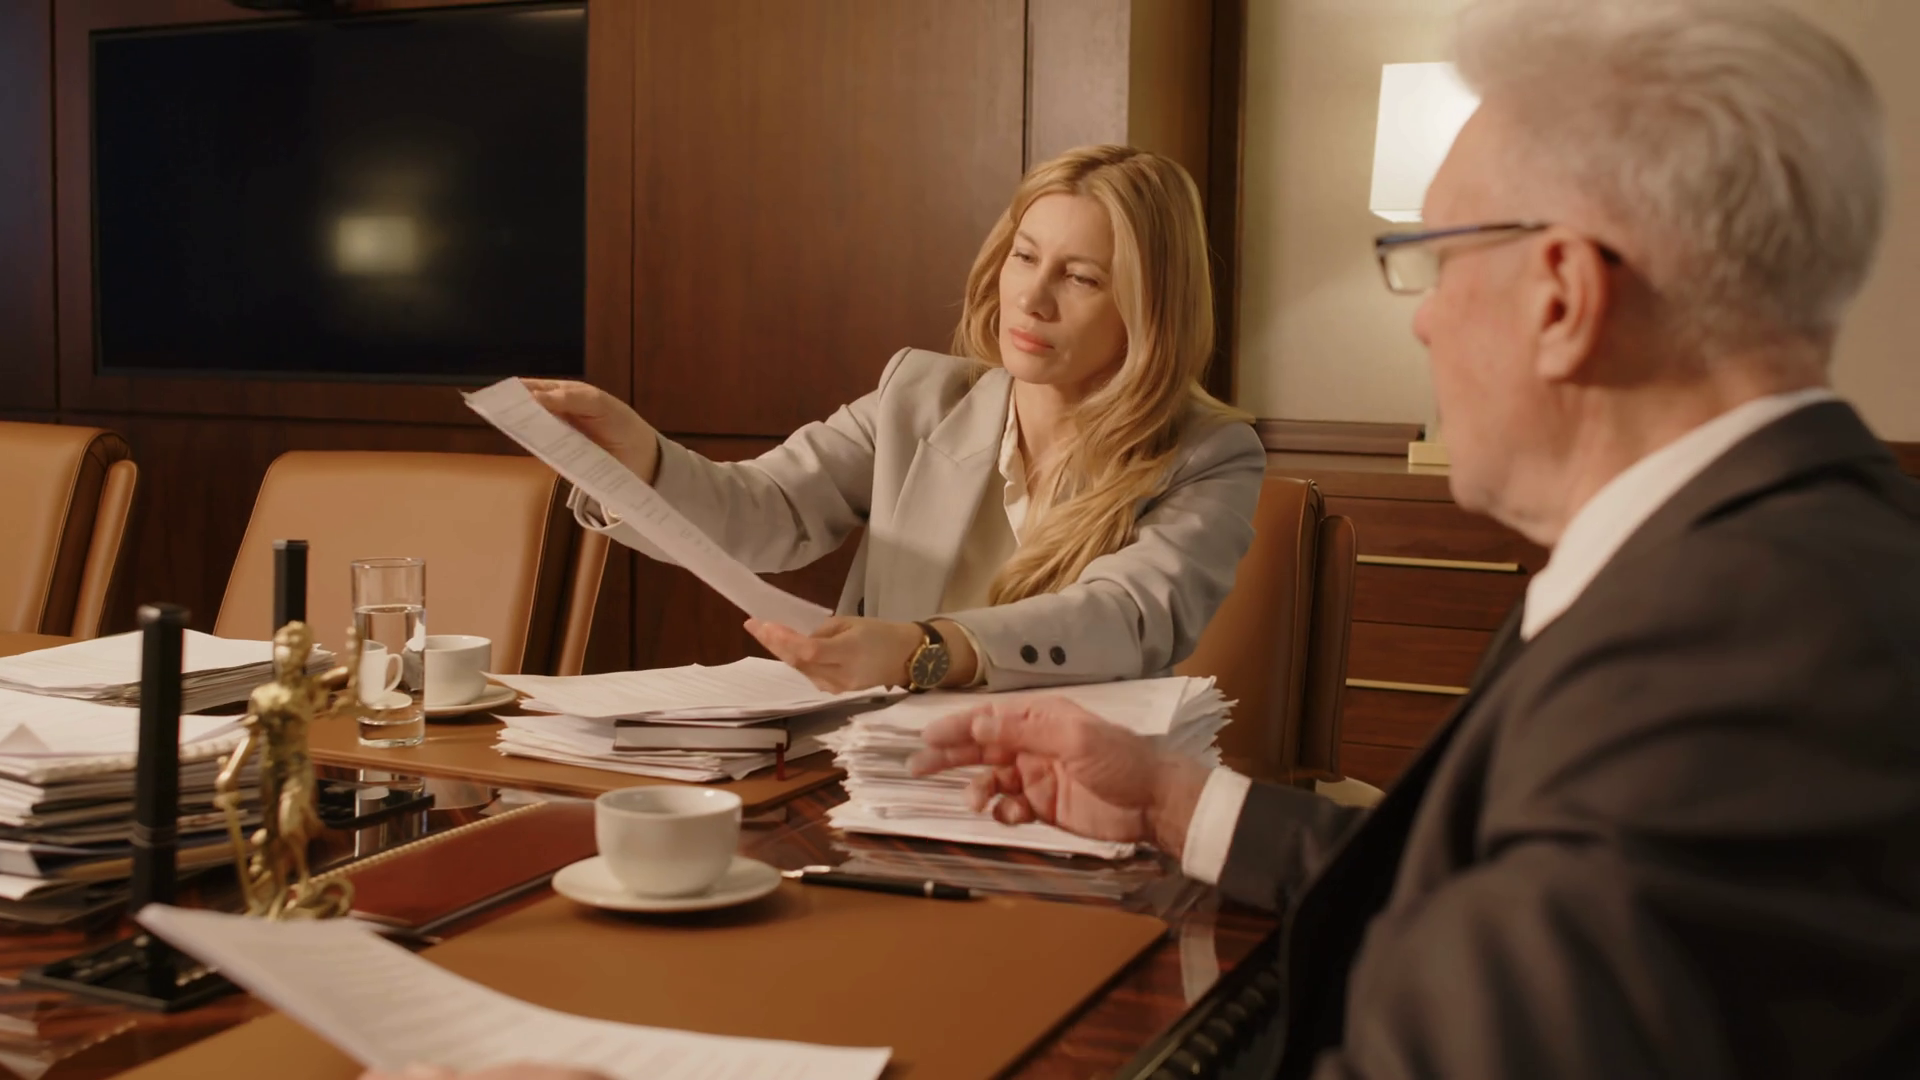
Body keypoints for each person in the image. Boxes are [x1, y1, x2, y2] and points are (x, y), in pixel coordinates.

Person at [904, 0, 1920, 1076]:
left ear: (1563, 299)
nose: (1425, 319)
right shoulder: (1756, 571)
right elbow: (1492, 891)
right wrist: (1171, 800)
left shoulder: (1738, 652)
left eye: (1436, 260)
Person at [524, 146, 1264, 694]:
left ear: (1150, 308)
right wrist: (641, 460)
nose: (1031, 298)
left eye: (1080, 277)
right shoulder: (920, 394)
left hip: (1075, 780)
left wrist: (924, 649)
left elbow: (1126, 616)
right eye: (1024, 257)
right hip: (884, 766)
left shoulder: (1210, 452)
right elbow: (766, 509)